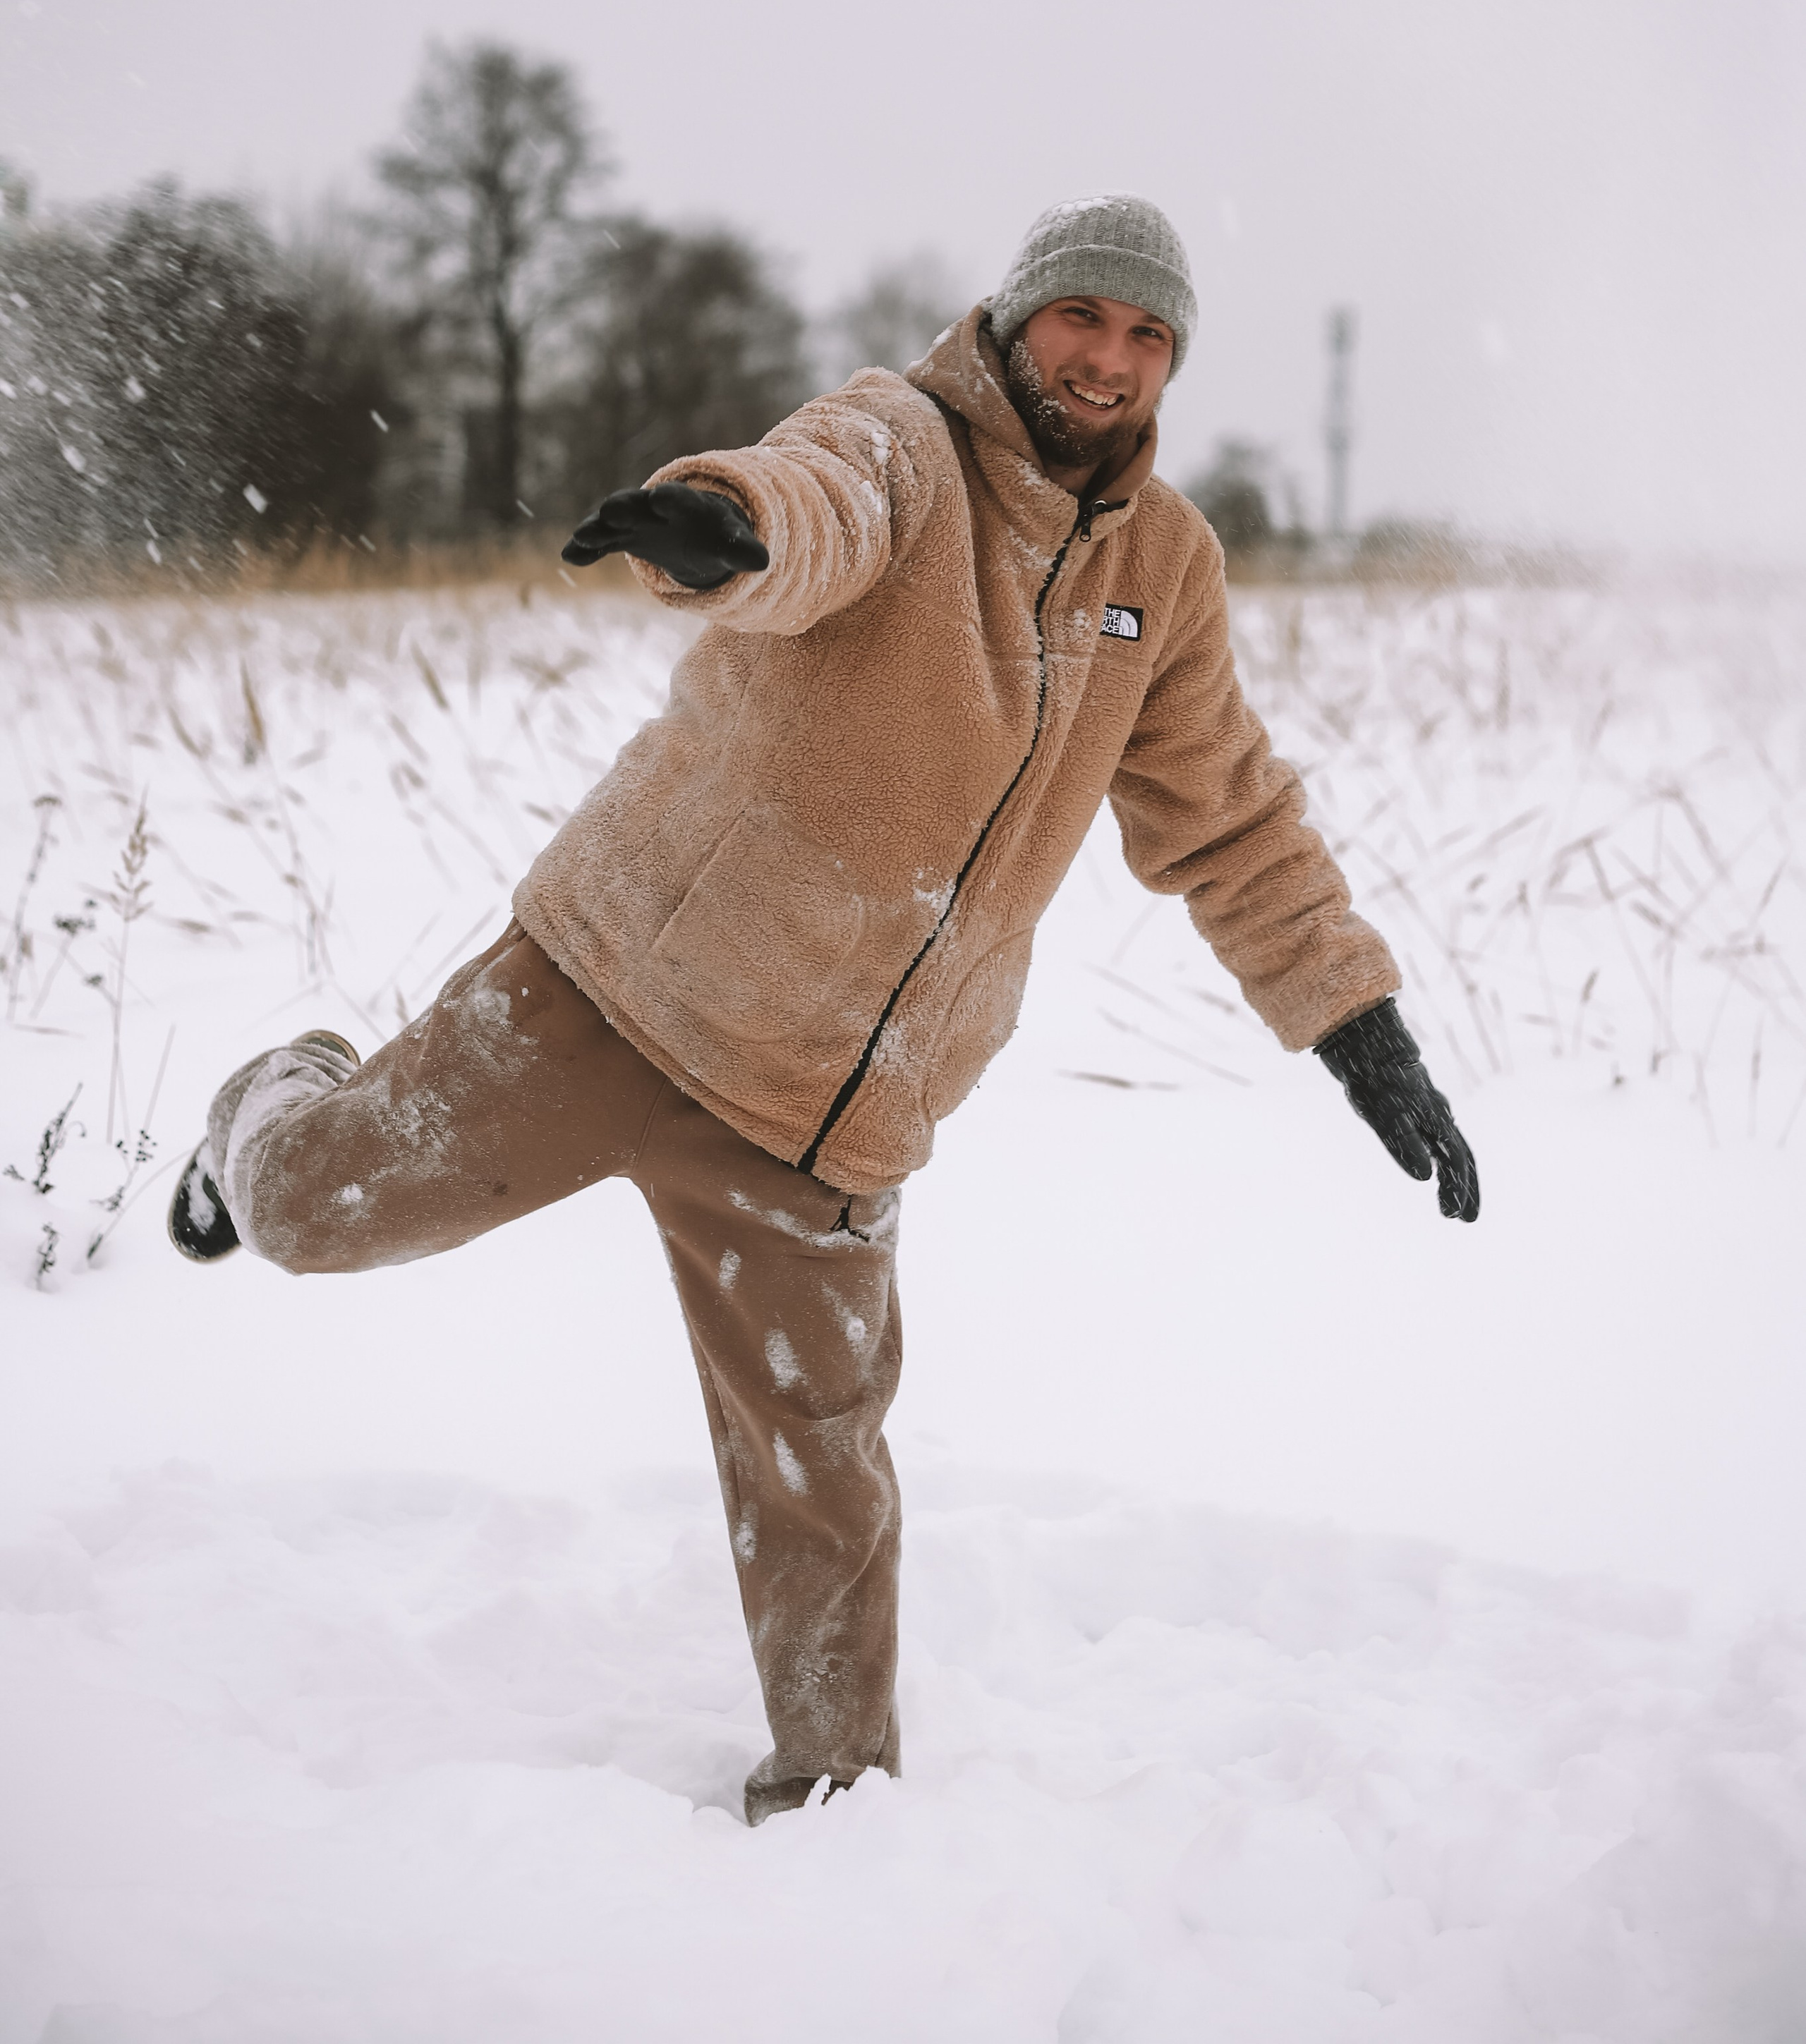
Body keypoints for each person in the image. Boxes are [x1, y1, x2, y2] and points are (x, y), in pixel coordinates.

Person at [168, 193, 1479, 1825]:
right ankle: (274, 1096)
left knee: (820, 1476)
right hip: (617, 994)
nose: (1109, 357)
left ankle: (833, 1812)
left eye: (1147, 335)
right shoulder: (904, 444)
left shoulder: (1163, 568)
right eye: (1082, 316)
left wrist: (1356, 1025)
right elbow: (817, 499)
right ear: (1017, 315)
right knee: (311, 1213)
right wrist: (723, 525)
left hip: (827, 1113)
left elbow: (1226, 815)